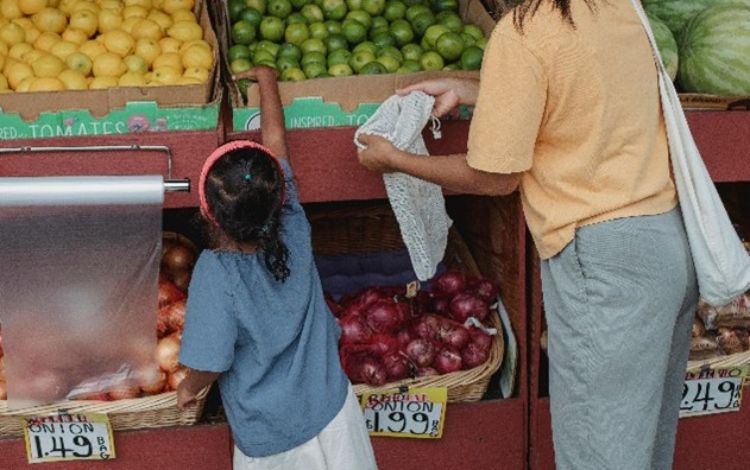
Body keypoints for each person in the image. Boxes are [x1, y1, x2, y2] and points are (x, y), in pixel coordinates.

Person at [357, 1, 697, 469]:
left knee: (599, 456)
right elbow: (572, 90)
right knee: (644, 448)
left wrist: (396, 160)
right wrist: (469, 86)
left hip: (603, 262)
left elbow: (496, 176)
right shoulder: (616, 7)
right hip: (665, 246)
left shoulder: (523, 33)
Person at [176, 65, 378, 470]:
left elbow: (210, 362)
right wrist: (268, 82)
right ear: (278, 195)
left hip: (273, 438)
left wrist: (187, 389)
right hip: (333, 411)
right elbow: (276, 146)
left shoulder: (216, 272)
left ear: (207, 214)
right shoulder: (293, 225)